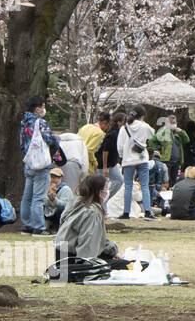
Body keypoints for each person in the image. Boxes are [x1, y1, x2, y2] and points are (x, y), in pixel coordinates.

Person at [54, 173, 126, 267]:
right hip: (74, 261)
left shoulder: (75, 204)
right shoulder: (92, 212)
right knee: (131, 265)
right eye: (106, 188)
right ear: (99, 192)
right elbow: (87, 247)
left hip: (62, 256)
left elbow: (95, 239)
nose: (108, 192)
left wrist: (110, 250)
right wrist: (86, 266)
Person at [18, 96, 61, 235]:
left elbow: (21, 144)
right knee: (38, 197)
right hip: (41, 164)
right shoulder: (40, 122)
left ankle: (27, 225)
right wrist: (57, 140)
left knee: (27, 197)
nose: (43, 109)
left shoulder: (23, 122)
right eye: (42, 106)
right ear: (37, 107)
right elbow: (49, 139)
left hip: (29, 163)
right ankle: (39, 227)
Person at [117, 107, 155, 220]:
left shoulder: (124, 128)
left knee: (128, 186)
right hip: (142, 159)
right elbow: (152, 134)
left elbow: (119, 146)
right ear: (142, 116)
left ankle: (126, 212)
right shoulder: (144, 126)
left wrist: (122, 156)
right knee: (145, 185)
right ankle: (148, 211)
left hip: (128, 160)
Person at [154, 115, 190, 187]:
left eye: (174, 122)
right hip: (166, 161)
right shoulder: (162, 132)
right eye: (171, 122)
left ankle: (172, 195)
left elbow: (187, 140)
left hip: (176, 162)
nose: (173, 124)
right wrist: (158, 149)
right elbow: (153, 141)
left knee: (173, 181)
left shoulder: (178, 134)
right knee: (165, 180)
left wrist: (181, 131)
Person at [101, 112, 125, 207]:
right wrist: (105, 166)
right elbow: (105, 150)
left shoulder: (120, 133)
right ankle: (102, 205)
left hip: (113, 163)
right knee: (102, 186)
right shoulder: (113, 134)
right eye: (124, 122)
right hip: (105, 164)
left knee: (119, 180)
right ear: (119, 122)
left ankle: (104, 201)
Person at [43, 167, 75, 233]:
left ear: (61, 178)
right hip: (48, 212)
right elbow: (43, 201)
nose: (53, 179)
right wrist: (49, 199)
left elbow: (66, 205)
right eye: (51, 177)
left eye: (56, 177)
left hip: (60, 213)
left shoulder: (66, 189)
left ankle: (57, 227)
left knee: (61, 209)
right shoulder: (46, 187)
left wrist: (54, 200)